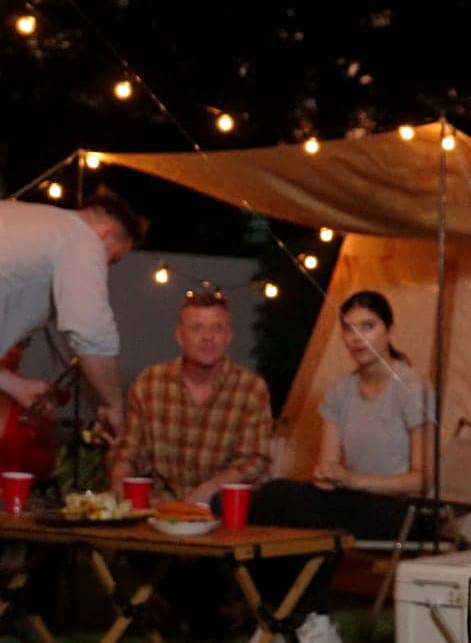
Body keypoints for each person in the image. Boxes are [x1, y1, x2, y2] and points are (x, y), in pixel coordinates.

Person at [250, 290, 434, 638]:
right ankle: (287, 616)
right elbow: (329, 467)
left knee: (296, 505)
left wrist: (352, 480)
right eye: (349, 328)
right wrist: (327, 476)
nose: (358, 337)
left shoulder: (411, 387)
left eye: (369, 326)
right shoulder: (339, 392)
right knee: (272, 496)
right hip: (353, 503)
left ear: (390, 331)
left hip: (403, 512)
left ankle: (310, 619)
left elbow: (421, 481)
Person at [0, 190, 147, 439]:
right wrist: (112, 405)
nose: (105, 269)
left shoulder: (25, 219)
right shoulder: (82, 239)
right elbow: (90, 332)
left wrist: (16, 386)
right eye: (113, 259)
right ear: (107, 233)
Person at [110, 289, 272, 504]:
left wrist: (210, 489)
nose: (207, 337)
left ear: (229, 336)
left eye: (217, 328)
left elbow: (254, 460)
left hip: (222, 508)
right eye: (197, 328)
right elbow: (129, 449)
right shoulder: (150, 383)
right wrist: (118, 483)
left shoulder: (251, 389)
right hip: (158, 509)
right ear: (179, 335)